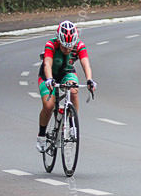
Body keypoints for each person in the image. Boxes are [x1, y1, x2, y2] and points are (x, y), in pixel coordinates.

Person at [36, 21, 96, 152]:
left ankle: (73, 125)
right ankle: (41, 136)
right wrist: (50, 79)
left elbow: (86, 64)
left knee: (74, 91)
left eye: (70, 47)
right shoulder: (51, 44)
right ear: (59, 40)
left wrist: (90, 80)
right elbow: (47, 64)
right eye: (64, 47)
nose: (67, 50)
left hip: (67, 73)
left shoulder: (79, 45)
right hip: (48, 75)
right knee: (49, 106)